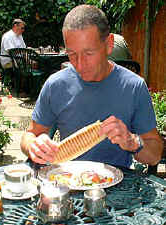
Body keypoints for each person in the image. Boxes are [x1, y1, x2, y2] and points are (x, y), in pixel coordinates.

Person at [20, 5, 163, 169]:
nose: (80, 65)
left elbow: (155, 155)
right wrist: (33, 145)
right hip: (68, 180)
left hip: (119, 187)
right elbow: (30, 134)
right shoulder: (55, 85)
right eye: (72, 54)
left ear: (109, 44)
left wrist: (132, 142)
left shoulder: (134, 87)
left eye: (89, 53)